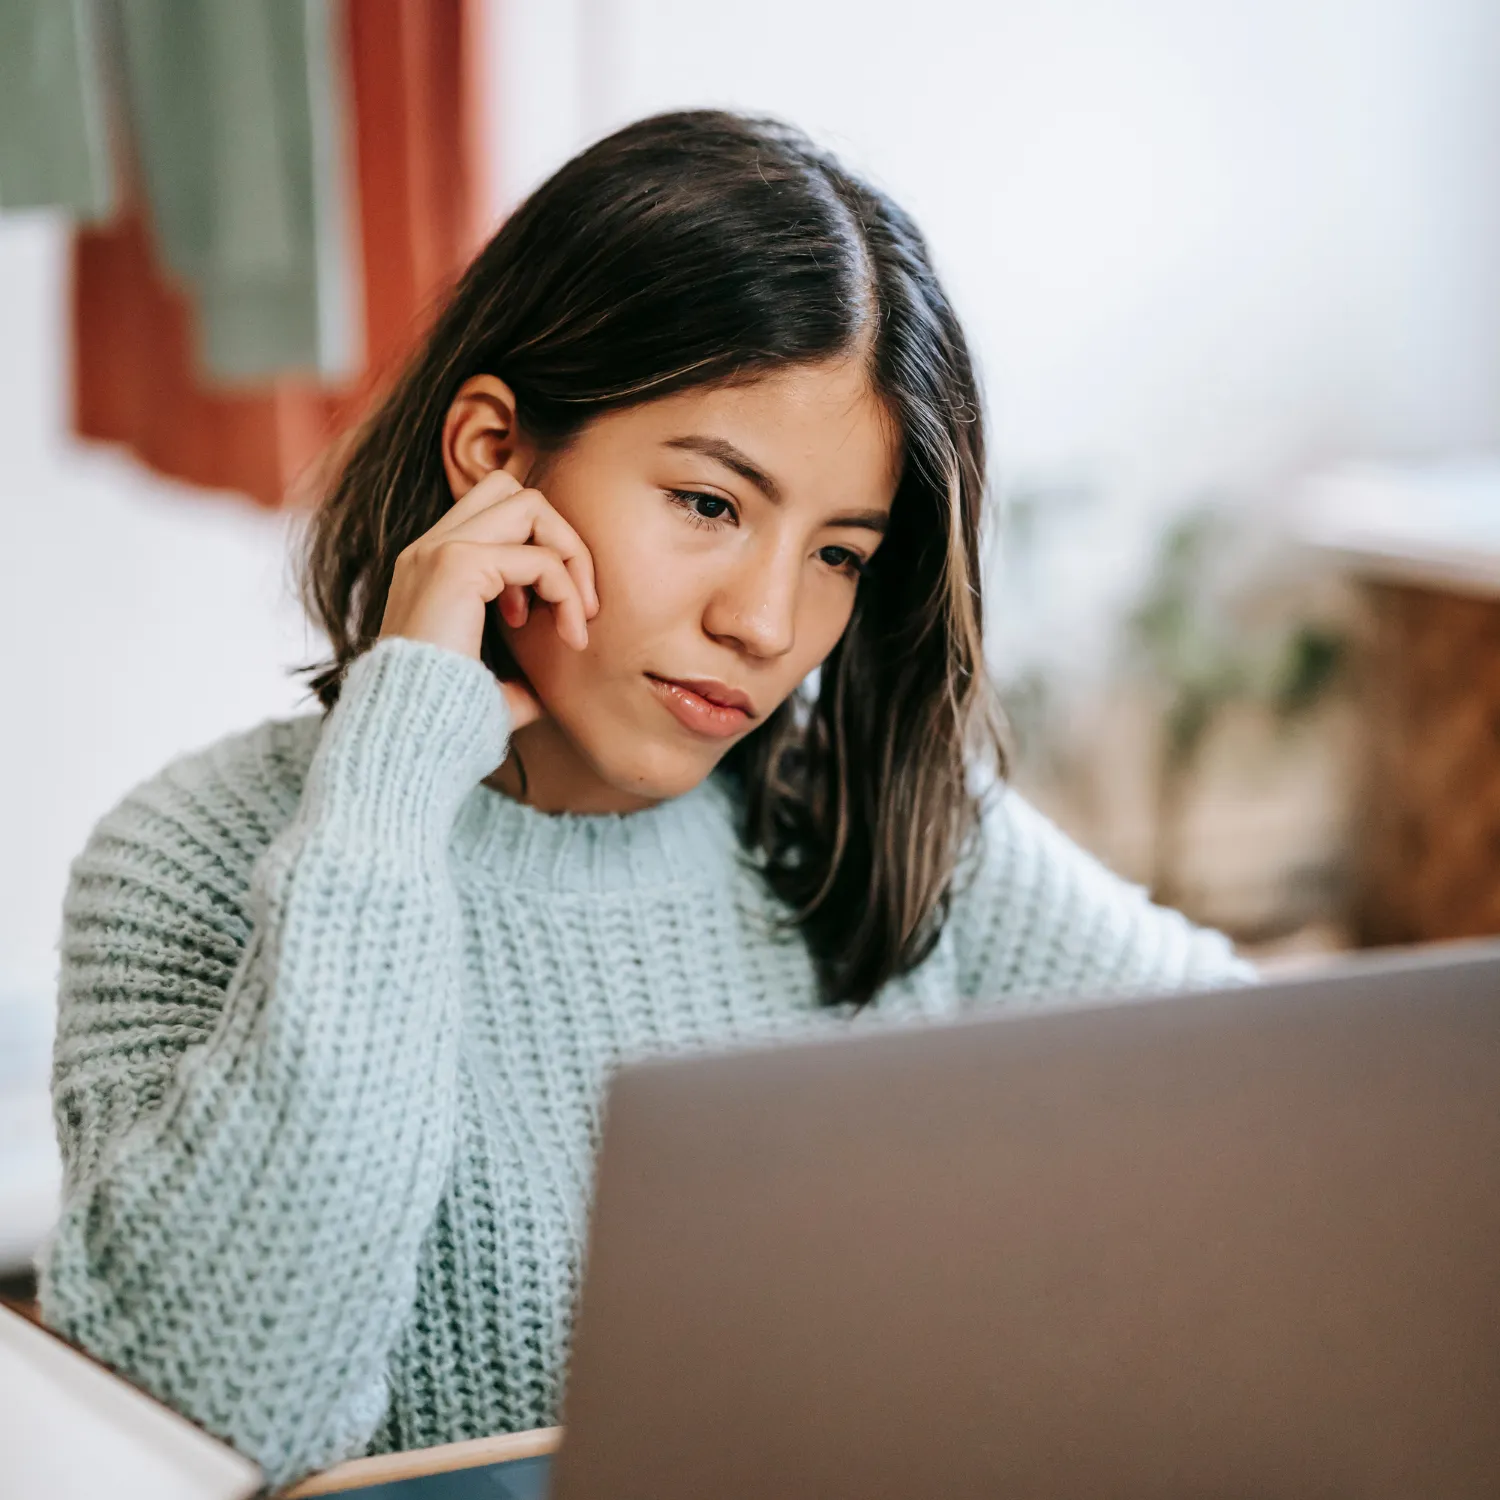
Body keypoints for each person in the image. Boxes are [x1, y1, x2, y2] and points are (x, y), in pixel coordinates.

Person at [39, 111, 1251, 1487]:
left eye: (842, 554)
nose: (769, 621)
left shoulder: (880, 829)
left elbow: (1293, 1125)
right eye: (709, 504)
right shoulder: (189, 860)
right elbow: (219, 1406)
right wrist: (389, 783)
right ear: (496, 456)